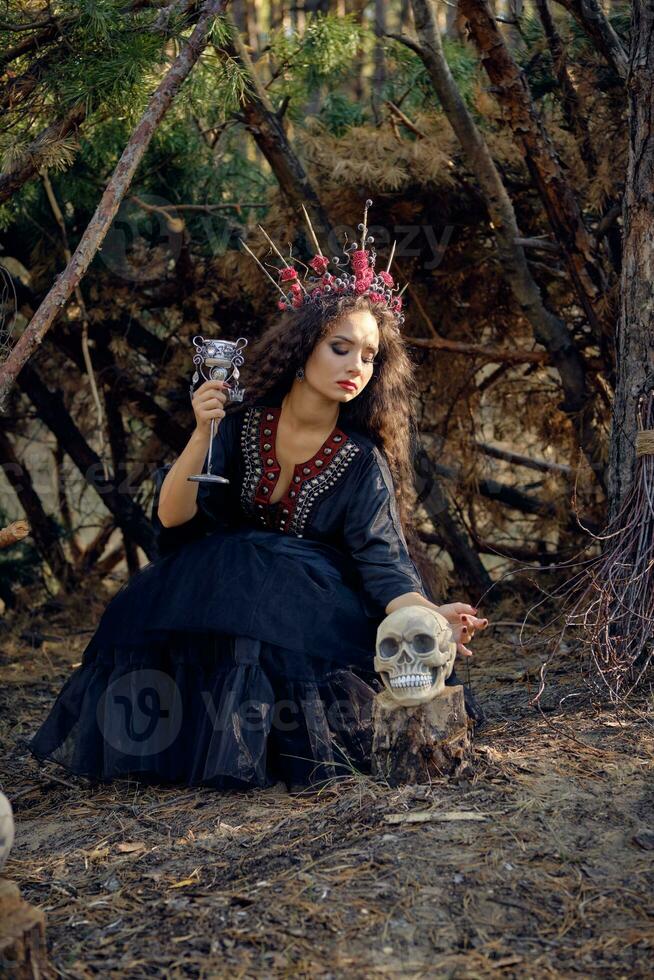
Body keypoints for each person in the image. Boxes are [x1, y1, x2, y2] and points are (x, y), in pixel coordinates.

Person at [26, 203, 489, 792]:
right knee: (150, 601)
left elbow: (383, 562)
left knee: (264, 591)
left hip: (309, 603)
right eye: (340, 347)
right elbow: (172, 516)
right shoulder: (241, 425)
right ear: (302, 349)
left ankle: (259, 745)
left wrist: (425, 616)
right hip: (218, 578)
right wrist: (201, 432)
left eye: (370, 356)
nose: (356, 366)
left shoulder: (359, 460)